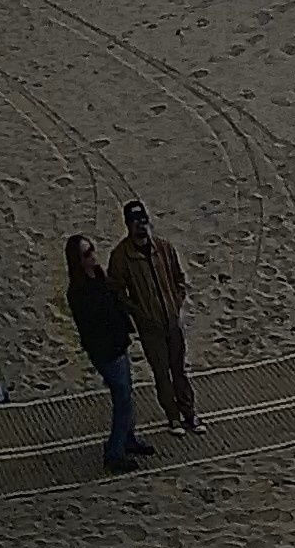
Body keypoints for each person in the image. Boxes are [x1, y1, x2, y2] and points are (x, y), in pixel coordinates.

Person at [110, 198, 203, 435]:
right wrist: (139, 314)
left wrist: (176, 303)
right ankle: (173, 417)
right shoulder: (121, 256)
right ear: (128, 225)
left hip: (171, 321)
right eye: (135, 221)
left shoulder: (163, 248)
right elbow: (117, 292)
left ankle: (190, 414)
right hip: (150, 328)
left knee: (179, 370)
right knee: (162, 373)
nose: (141, 225)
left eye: (143, 220)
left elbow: (178, 278)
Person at [65, 234, 152, 473]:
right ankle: (115, 452)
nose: (93, 256)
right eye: (87, 254)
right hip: (106, 352)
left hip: (117, 344)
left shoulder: (98, 277)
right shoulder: (79, 292)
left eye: (92, 250)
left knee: (126, 394)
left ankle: (128, 438)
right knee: (122, 399)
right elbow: (94, 324)